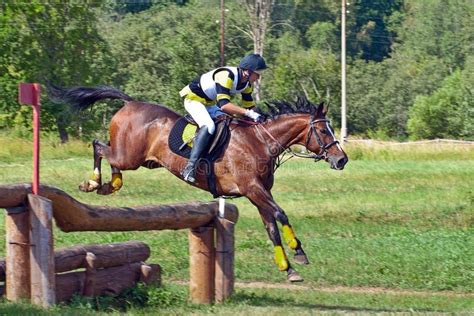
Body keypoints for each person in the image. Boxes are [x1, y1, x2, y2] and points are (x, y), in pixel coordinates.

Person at [178, 53, 267, 183]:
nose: (258, 77)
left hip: (209, 103)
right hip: (193, 100)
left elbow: (250, 106)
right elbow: (224, 106)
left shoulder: (246, 85)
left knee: (228, 122)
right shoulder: (227, 75)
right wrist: (248, 113)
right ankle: (190, 168)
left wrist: (260, 118)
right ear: (248, 71)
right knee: (209, 126)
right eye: (257, 73)